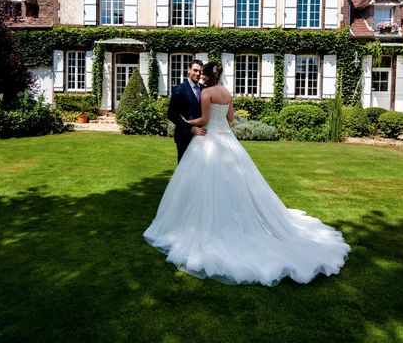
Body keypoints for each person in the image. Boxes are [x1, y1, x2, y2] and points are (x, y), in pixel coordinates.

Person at [144, 61, 350, 286]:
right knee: (236, 180)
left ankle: (202, 223)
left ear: (207, 75)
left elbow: (204, 120)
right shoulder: (226, 92)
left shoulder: (207, 93)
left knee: (202, 179)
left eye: (202, 72)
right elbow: (230, 119)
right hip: (227, 139)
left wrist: (187, 122)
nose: (199, 75)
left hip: (209, 139)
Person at [167, 59, 206, 163]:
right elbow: (171, 114)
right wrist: (191, 128)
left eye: (200, 71)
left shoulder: (204, 89)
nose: (198, 73)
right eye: (195, 70)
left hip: (202, 136)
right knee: (184, 169)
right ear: (188, 70)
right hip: (184, 136)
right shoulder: (179, 89)